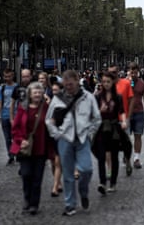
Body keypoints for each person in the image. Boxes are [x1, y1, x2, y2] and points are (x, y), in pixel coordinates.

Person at [45, 70, 102, 216]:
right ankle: (70, 204)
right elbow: (49, 119)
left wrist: (90, 132)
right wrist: (57, 135)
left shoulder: (87, 97)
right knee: (68, 174)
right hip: (65, 139)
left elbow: (97, 118)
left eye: (71, 83)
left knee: (87, 169)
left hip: (82, 139)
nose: (69, 86)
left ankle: (83, 191)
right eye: (66, 84)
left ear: (77, 81)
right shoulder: (58, 99)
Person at [10, 82, 53, 215]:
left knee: (37, 178)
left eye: (39, 92)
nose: (37, 95)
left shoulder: (46, 108)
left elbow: (51, 126)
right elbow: (15, 127)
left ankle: (34, 203)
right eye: (35, 92)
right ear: (29, 94)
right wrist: (19, 140)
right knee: (26, 174)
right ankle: (26, 199)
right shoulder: (23, 108)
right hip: (25, 147)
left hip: (41, 147)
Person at [93, 72, 131, 194]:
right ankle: (102, 182)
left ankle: (113, 182)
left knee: (114, 156)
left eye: (108, 82)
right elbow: (93, 113)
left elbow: (122, 111)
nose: (106, 84)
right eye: (104, 82)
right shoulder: (98, 97)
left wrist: (124, 121)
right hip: (101, 127)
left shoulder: (117, 97)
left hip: (114, 128)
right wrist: (100, 110)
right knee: (101, 156)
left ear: (112, 83)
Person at [128, 62, 144, 169]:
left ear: (138, 72)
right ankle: (126, 155)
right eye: (132, 72)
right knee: (126, 138)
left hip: (139, 113)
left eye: (135, 72)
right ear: (129, 71)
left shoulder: (143, 84)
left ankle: (136, 158)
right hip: (126, 113)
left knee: (138, 136)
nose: (133, 74)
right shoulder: (124, 83)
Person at [0, 68, 18, 165]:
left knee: (16, 137)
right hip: (5, 115)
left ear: (12, 76)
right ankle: (11, 156)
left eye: (9, 76)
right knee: (7, 138)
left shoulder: (17, 87)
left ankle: (17, 153)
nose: (7, 78)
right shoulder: (2, 88)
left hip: (16, 115)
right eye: (5, 76)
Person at [50, 82, 63, 197]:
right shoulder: (50, 102)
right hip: (53, 135)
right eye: (53, 90)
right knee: (55, 162)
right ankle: (57, 184)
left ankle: (56, 185)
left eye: (56, 90)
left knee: (58, 161)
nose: (54, 93)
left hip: (64, 135)